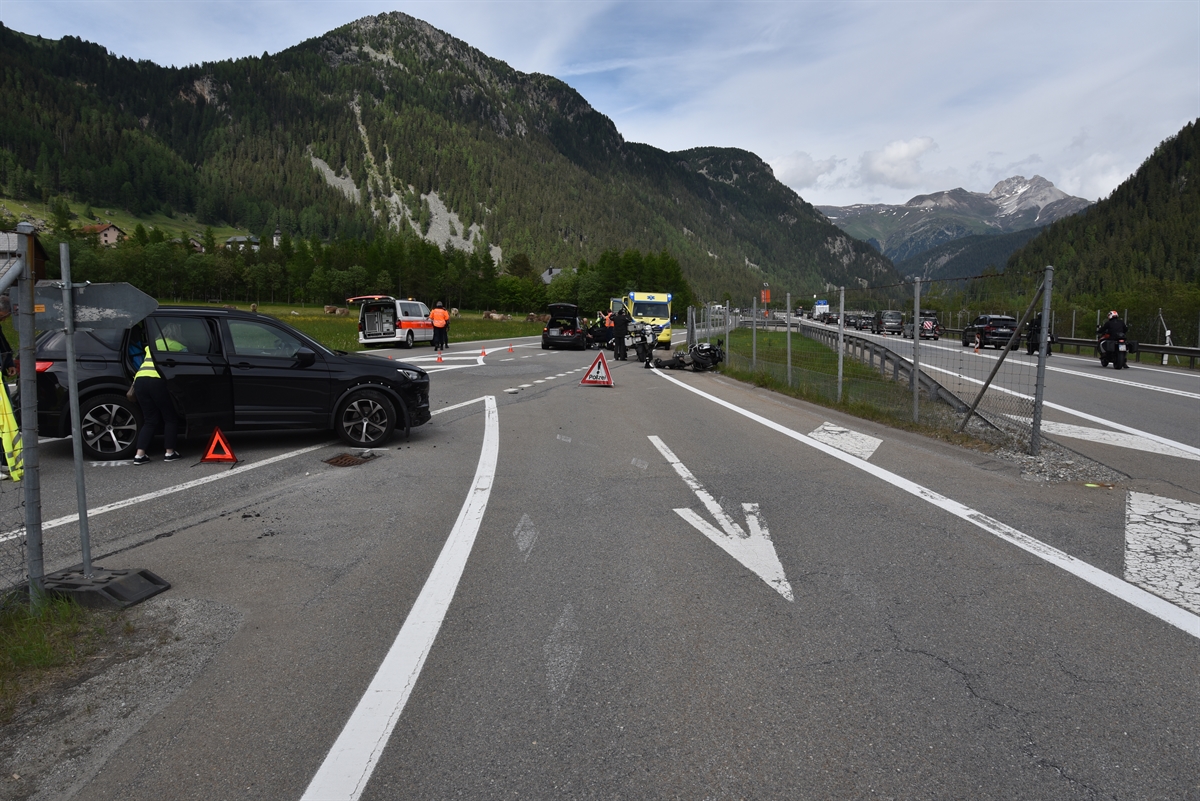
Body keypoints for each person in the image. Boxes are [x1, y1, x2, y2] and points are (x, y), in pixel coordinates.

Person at [132, 323, 186, 464]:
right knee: (170, 417)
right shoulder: (178, 346)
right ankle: (169, 452)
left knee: (150, 419)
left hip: (140, 380)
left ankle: (140, 455)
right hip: (157, 381)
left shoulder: (151, 345)